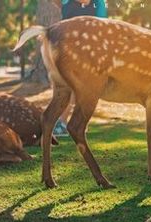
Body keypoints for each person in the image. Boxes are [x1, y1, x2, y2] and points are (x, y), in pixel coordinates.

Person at [53, 0, 108, 136]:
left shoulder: (99, 3)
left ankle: (70, 122)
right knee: (67, 87)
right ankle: (66, 122)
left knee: (79, 88)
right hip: (67, 48)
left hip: (88, 50)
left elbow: (102, 26)